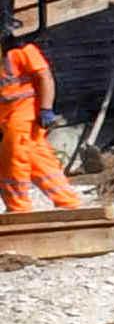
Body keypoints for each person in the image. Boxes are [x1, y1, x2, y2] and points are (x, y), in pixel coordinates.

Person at [0, 30, 75, 213]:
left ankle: (18, 208)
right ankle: (67, 201)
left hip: (25, 112)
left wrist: (46, 109)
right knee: (37, 158)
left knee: (13, 155)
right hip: (6, 116)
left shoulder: (23, 50)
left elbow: (45, 77)